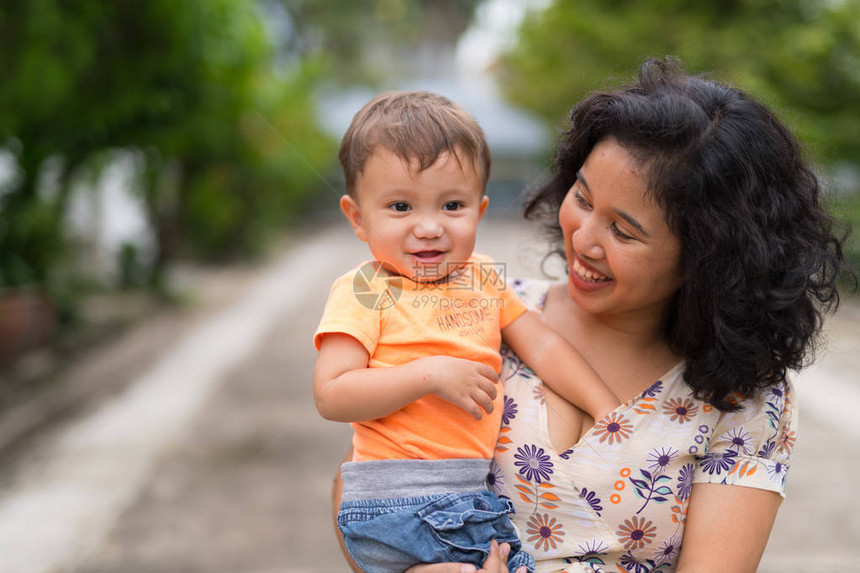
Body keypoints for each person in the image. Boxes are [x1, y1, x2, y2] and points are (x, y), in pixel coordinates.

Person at [334, 58, 853, 573]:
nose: (583, 240)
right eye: (581, 198)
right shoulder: (479, 305)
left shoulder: (744, 400)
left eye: (623, 232)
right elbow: (361, 487)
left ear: (708, 257)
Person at [314, 91, 621, 573]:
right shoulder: (368, 287)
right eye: (400, 206)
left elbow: (541, 343)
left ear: (478, 211)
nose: (430, 227)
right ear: (358, 217)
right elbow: (332, 394)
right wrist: (428, 374)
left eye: (451, 205)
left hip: (465, 496)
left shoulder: (481, 277)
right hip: (392, 501)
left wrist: (604, 407)